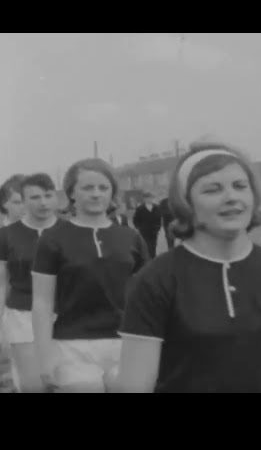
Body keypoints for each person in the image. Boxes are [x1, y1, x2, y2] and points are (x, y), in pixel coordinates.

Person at [114, 143, 261, 393]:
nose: (231, 198)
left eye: (239, 186)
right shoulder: (155, 280)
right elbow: (135, 384)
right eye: (212, 190)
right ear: (186, 203)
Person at [32, 158, 148, 393]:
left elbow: (148, 297)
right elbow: (42, 302)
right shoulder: (52, 240)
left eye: (103, 188)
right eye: (87, 188)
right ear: (71, 193)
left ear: (112, 193)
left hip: (126, 343)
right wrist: (44, 355)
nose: (96, 194)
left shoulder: (131, 238)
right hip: (72, 345)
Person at [0, 174, 59, 392]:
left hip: (66, 315)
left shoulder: (70, 230)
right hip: (23, 315)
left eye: (47, 196)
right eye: (33, 197)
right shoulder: (6, 236)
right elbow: (2, 282)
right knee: (33, 383)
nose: (42, 203)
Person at [133, 192, 162, 258]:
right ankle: (146, 259)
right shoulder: (140, 209)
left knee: (153, 245)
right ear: (144, 199)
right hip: (144, 231)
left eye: (151, 198)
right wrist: (138, 227)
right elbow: (135, 219)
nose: (149, 199)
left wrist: (158, 228)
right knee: (145, 245)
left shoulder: (156, 207)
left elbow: (159, 218)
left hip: (154, 231)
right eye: (147, 198)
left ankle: (152, 258)